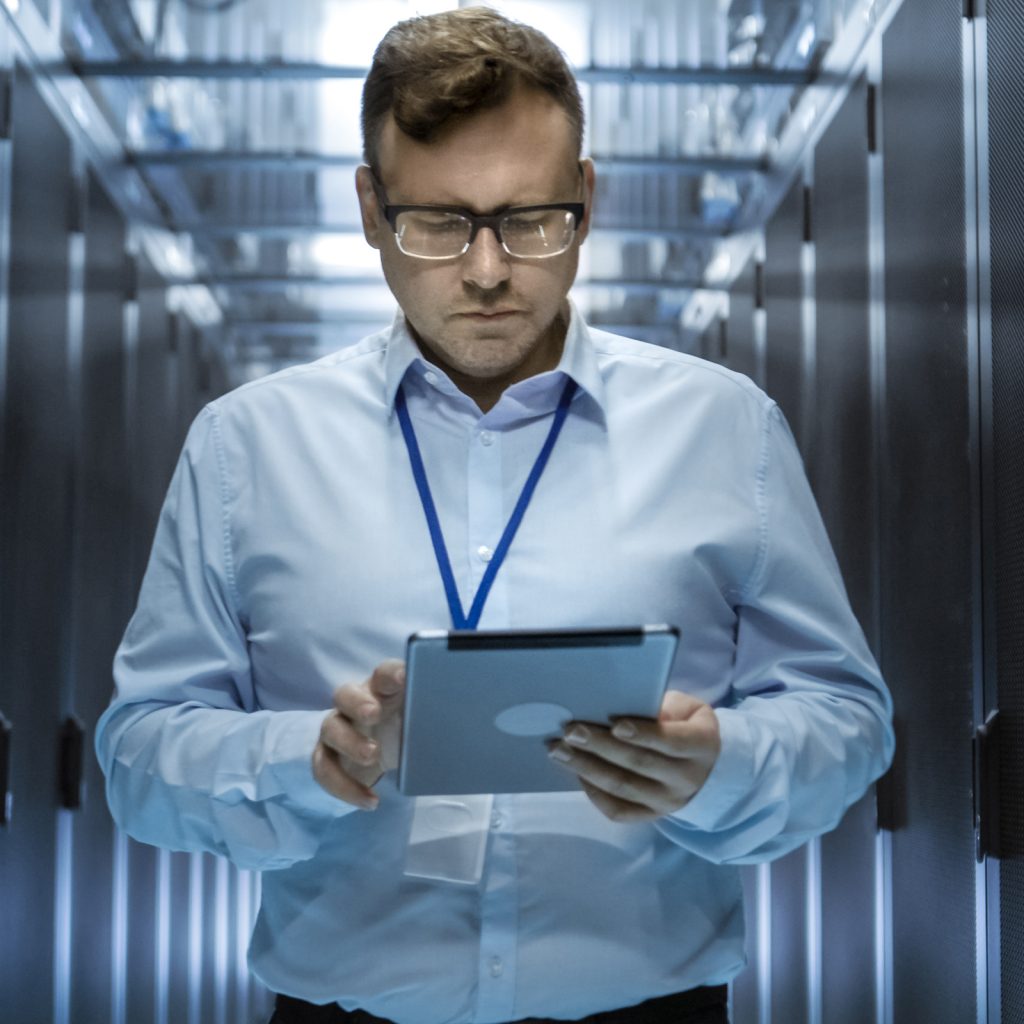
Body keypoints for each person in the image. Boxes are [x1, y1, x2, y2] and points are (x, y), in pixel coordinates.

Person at [95, 7, 895, 1024]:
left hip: (651, 1008)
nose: (485, 271)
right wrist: (304, 758)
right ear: (369, 209)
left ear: (588, 200)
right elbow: (138, 754)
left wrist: (719, 766)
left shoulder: (723, 428)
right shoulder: (246, 445)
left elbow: (849, 721)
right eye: (437, 223)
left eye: (529, 220)